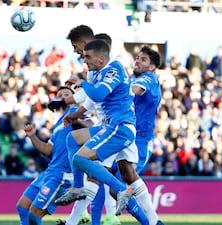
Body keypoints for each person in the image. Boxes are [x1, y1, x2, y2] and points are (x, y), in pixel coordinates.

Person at [56, 25, 144, 225]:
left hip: (120, 128)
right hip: (109, 127)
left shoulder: (114, 68)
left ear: (100, 57)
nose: (83, 60)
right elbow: (88, 100)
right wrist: (69, 103)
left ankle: (122, 191)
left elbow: (96, 95)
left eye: (86, 57)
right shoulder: (96, 72)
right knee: (72, 139)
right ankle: (78, 189)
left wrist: (81, 83)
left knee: (82, 162)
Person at [16, 86, 90, 225]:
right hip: (49, 172)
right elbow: (47, 150)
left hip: (62, 174)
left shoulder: (75, 112)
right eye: (60, 95)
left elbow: (91, 124)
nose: (62, 96)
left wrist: (77, 121)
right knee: (22, 207)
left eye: (66, 94)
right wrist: (32, 136)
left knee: (34, 214)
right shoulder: (58, 124)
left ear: (74, 99)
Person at [116, 45, 165, 225]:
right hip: (124, 138)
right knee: (109, 180)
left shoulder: (149, 78)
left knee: (123, 181)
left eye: (143, 59)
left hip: (140, 141)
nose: (137, 60)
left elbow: (136, 90)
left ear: (152, 67)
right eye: (137, 57)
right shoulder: (132, 78)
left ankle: (152, 221)